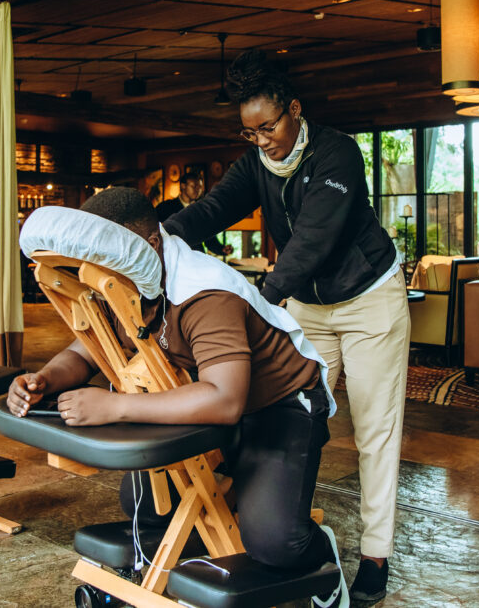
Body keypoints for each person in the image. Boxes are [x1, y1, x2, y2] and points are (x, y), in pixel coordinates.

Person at [8, 187, 350, 608]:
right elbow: (85, 351)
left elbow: (225, 401)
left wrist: (114, 406)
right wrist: (43, 379)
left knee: (275, 542)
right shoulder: (120, 281)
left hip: (280, 403)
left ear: (148, 245)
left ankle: (320, 560)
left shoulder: (204, 291)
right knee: (145, 504)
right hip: (200, 396)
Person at [163, 49, 410, 603]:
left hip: (369, 300)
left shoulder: (337, 153)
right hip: (306, 307)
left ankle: (375, 555)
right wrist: (154, 237)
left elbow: (312, 243)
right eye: (249, 133)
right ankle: (289, 530)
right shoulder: (254, 163)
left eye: (269, 126)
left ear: (293, 110)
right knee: (292, 415)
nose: (262, 140)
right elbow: (211, 209)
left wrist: (258, 299)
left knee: (374, 430)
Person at [155, 171, 233, 256]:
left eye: (199, 187)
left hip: (197, 257)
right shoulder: (165, 207)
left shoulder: (201, 210)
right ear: (183, 186)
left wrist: (222, 249)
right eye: (194, 186)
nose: (197, 190)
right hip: (174, 257)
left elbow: (209, 239)